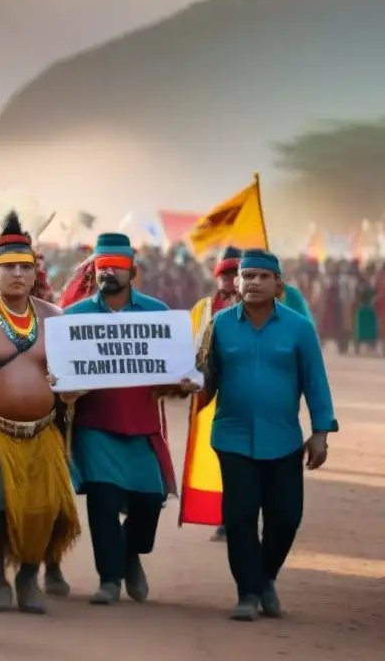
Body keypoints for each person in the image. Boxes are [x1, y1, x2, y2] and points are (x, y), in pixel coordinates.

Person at [58, 233, 196, 606]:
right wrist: (62, 389)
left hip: (142, 425)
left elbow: (175, 373)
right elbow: (56, 374)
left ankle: (130, 556)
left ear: (132, 270)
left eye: (117, 267)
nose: (109, 274)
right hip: (95, 426)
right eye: (102, 267)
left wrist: (181, 383)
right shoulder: (73, 318)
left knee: (149, 503)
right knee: (102, 502)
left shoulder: (158, 314)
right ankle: (109, 580)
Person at [200, 249, 337, 621]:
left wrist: (321, 431)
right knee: (240, 517)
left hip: (284, 440)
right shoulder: (219, 325)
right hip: (232, 437)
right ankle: (247, 594)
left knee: (286, 517)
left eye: (263, 276)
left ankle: (266, 578)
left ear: (278, 284)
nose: (254, 283)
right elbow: (205, 383)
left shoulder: (299, 328)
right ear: (238, 282)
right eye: (248, 276)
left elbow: (316, 383)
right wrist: (187, 384)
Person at [0, 211, 79, 614]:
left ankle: (28, 578)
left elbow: (73, 374)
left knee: (43, 509)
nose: (16, 274)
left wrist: (73, 392)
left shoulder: (56, 319)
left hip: (43, 429)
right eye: (7, 267)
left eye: (24, 267)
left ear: (34, 273)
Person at [188, 246, 242, 543]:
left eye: (236, 274)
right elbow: (189, 352)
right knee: (220, 460)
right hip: (212, 398)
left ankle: (239, 517)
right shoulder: (204, 309)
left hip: (248, 398)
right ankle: (225, 517)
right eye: (226, 274)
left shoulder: (260, 309)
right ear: (217, 277)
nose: (231, 281)